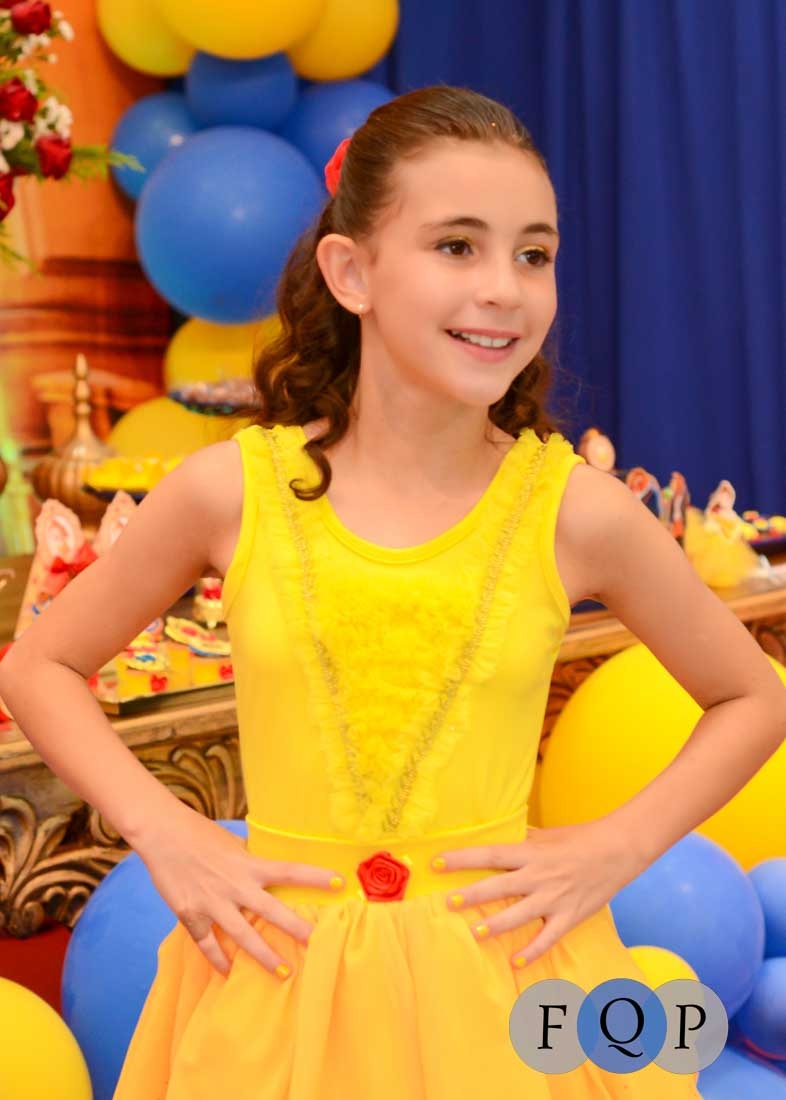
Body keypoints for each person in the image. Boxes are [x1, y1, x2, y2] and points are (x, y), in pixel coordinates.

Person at [3, 84, 785, 1098]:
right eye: (457, 245)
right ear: (352, 272)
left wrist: (615, 846)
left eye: (534, 254)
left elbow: (753, 693)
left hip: (506, 984)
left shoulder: (575, 511)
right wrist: (169, 834)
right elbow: (41, 665)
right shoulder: (228, 491)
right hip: (278, 984)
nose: (504, 288)